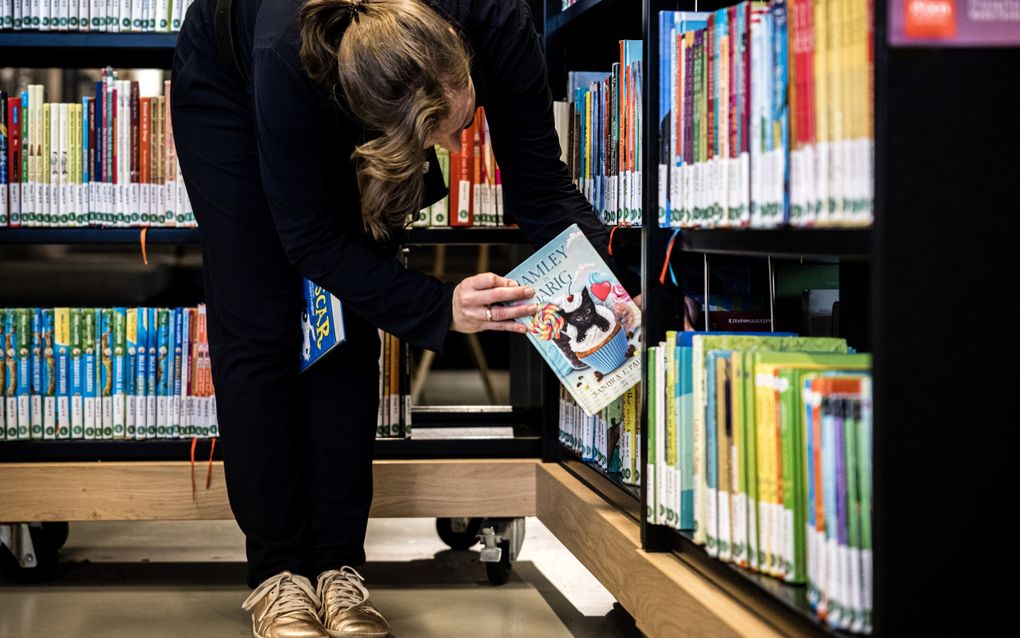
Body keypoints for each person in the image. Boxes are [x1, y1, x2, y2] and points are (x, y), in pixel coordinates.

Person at [171, 1, 639, 636]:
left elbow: (540, 186)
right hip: (230, 79)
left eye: (453, 122)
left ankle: (337, 569)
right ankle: (279, 574)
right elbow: (308, 240)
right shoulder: (284, 52)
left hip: (357, 79)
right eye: (433, 139)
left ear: (460, 57)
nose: (452, 146)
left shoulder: (500, 22)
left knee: (346, 316)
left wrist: (618, 290)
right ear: (374, 117)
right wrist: (439, 305)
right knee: (260, 315)